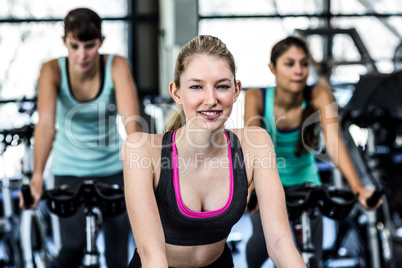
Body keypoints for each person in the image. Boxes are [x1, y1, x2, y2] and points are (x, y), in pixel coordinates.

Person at [122, 34, 305, 268]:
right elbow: (152, 256)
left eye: (222, 86)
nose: (211, 99)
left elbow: (280, 243)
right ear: (176, 92)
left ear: (237, 90)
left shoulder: (256, 143)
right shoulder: (142, 150)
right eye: (196, 86)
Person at [244, 36, 382, 267]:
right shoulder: (256, 97)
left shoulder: (318, 94)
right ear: (272, 68)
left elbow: (335, 142)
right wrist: (249, 189)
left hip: (306, 182)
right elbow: (252, 147)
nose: (299, 70)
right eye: (290, 64)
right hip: (267, 183)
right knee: (261, 244)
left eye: (304, 63)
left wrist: (358, 188)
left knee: (310, 256)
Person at [19, 8, 140, 268]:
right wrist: (37, 176)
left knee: (119, 255)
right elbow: (47, 126)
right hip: (69, 169)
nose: (81, 54)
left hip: (112, 168)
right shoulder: (52, 70)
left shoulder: (115, 65)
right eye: (74, 46)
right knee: (71, 249)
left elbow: (132, 124)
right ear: (64, 42)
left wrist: (142, 168)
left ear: (101, 42)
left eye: (89, 45)